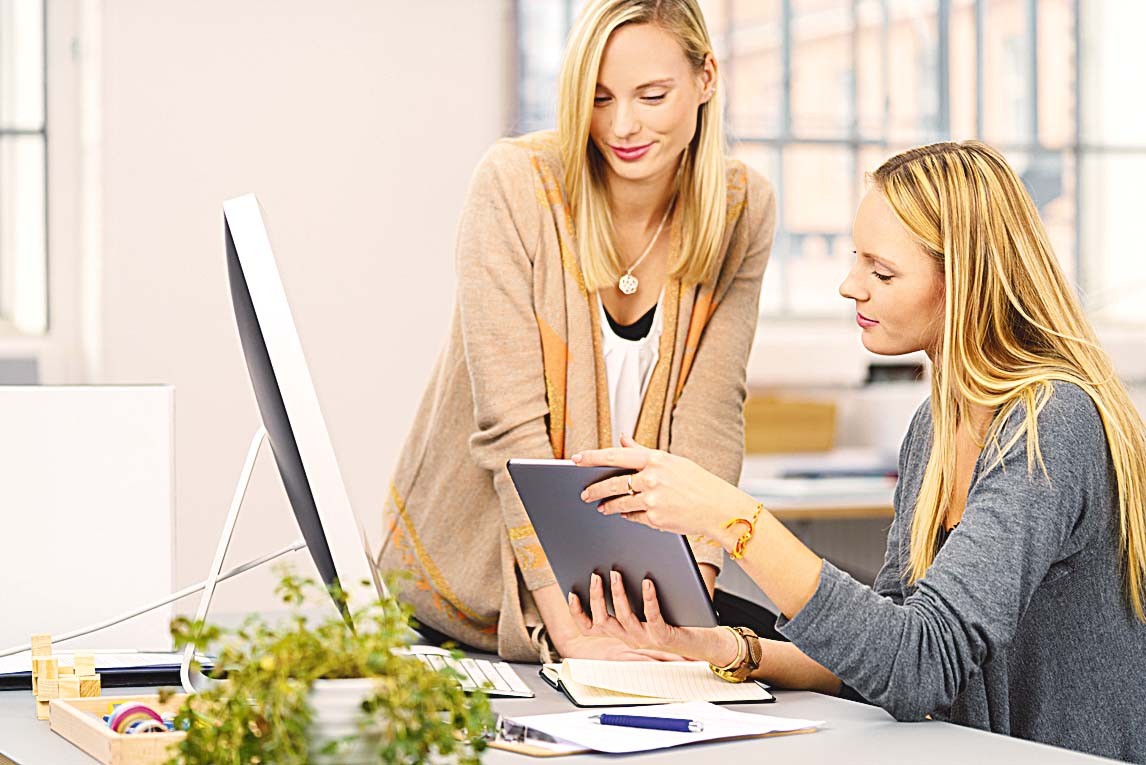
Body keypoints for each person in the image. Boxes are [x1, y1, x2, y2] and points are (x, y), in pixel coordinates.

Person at [568, 141, 1146, 762]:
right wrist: (723, 649)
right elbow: (882, 655)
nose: (850, 287)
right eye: (856, 261)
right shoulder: (936, 427)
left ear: (964, 280)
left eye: (882, 272)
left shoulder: (1050, 424)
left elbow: (920, 667)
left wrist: (733, 520)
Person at [378, 0, 777, 663]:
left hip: (630, 594)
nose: (622, 126)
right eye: (599, 98)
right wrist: (571, 636)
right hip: (478, 590)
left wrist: (689, 610)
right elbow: (511, 429)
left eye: (652, 96)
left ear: (706, 77)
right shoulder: (515, 185)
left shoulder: (743, 209)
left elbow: (709, 426)